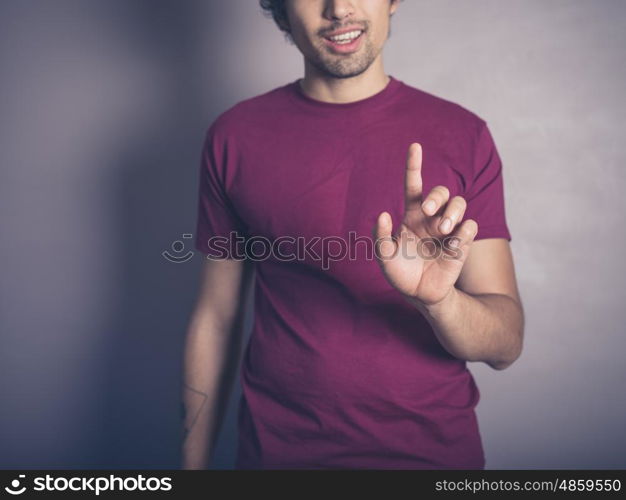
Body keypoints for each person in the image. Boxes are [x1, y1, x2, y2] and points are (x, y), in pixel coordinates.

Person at [180, 0, 524, 470]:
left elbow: (505, 345)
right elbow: (215, 319)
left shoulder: (464, 135)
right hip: (277, 460)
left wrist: (439, 302)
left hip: (431, 462)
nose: (339, 8)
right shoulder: (234, 137)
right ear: (280, 9)